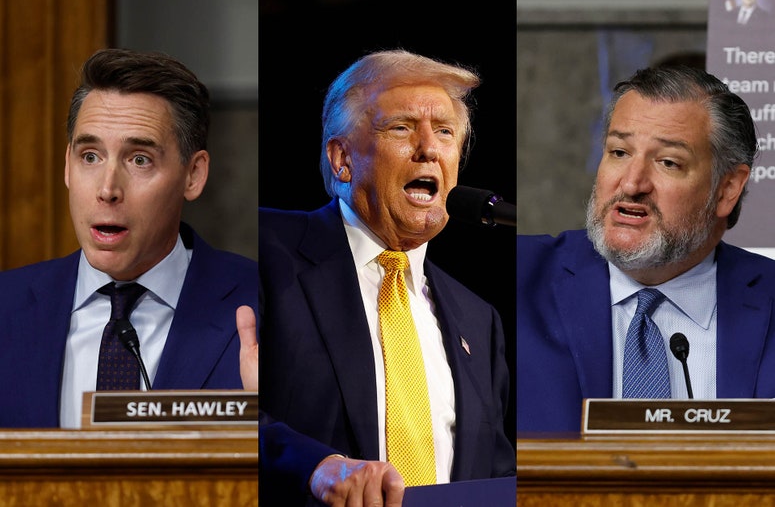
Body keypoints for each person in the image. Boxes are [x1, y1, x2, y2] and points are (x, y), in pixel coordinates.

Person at [258, 49, 515, 506]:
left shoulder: (479, 320)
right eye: (401, 127)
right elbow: (199, 412)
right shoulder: (266, 251)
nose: (429, 148)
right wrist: (313, 466)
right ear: (341, 159)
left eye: (445, 132)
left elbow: (496, 475)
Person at [0, 48, 259, 428]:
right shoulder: (7, 307)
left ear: (194, 175)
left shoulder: (262, 303)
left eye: (139, 159)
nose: (107, 189)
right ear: (67, 167)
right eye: (90, 156)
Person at [516, 64, 775, 435]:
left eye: (667, 162)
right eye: (619, 152)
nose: (632, 183)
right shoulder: (522, 276)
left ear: (727, 189)